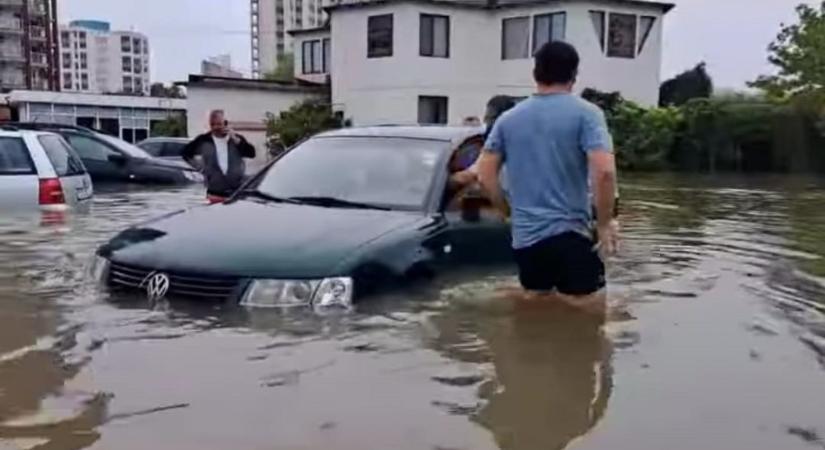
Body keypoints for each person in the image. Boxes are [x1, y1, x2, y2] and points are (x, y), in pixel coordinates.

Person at [476, 41, 619, 307]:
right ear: (574, 76)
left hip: (526, 242)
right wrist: (604, 223)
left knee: (534, 311)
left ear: (535, 73)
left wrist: (507, 210)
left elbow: (484, 176)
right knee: (590, 321)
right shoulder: (587, 114)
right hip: (571, 235)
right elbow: (605, 173)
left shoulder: (508, 119)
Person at [181, 110, 256, 203]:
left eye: (219, 124)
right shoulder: (204, 140)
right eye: (213, 124)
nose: (216, 127)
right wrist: (201, 168)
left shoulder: (236, 139)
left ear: (225, 124)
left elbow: (252, 154)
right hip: (214, 193)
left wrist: (237, 140)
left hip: (236, 192)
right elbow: (185, 153)